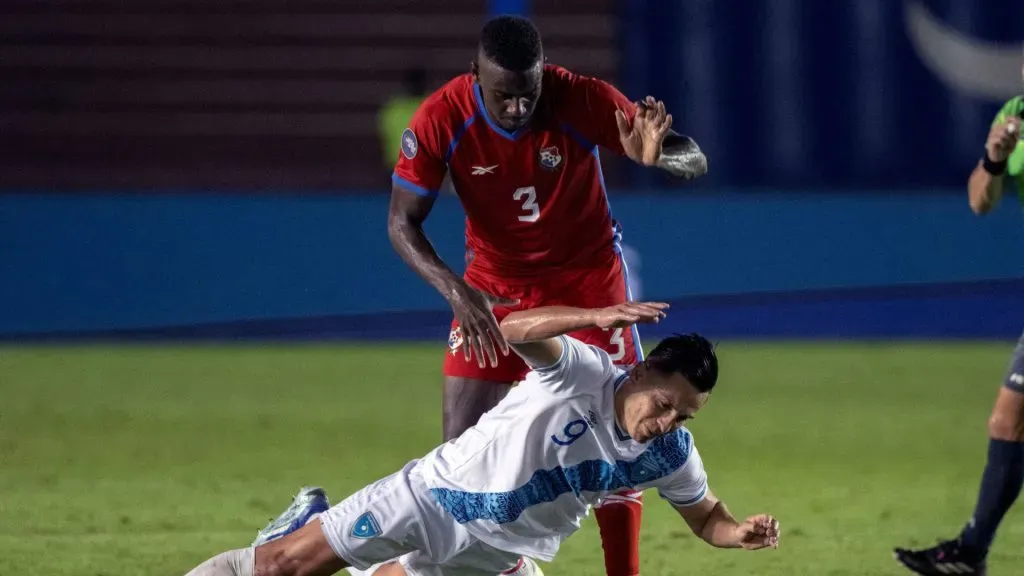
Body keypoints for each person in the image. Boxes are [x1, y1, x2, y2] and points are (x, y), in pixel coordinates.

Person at [379, 15, 707, 576]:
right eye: (503, 96)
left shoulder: (579, 97)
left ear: (542, 74)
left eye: (527, 93)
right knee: (459, 456)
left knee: (618, 437)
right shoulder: (440, 117)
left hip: (589, 283)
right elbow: (401, 224)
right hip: (491, 290)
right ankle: (488, 567)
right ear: (475, 76)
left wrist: (658, 158)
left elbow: (693, 158)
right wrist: (459, 293)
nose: (517, 108)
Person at [182, 302, 781, 576]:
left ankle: (310, 526)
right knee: (282, 568)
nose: (668, 423)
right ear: (642, 372)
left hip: (500, 559)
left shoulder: (669, 453)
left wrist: (738, 533)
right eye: (665, 405)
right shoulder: (582, 370)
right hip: (433, 499)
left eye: (684, 417)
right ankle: (289, 537)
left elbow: (706, 519)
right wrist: (588, 315)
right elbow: (512, 328)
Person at [892, 93, 1024, 576]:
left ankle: (971, 549)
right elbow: (979, 200)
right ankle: (971, 551)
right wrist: (994, 157)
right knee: (1008, 422)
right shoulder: (1015, 115)